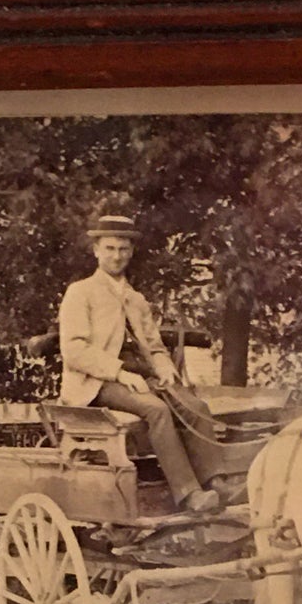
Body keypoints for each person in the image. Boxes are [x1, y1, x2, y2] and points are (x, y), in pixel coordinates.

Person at [57, 208, 221, 512]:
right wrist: (119, 373)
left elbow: (155, 346)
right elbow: (75, 350)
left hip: (140, 378)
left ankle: (215, 482)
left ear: (131, 251)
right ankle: (188, 494)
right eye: (109, 249)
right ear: (96, 250)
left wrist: (165, 368)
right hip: (95, 384)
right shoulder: (80, 293)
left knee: (195, 407)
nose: (116, 256)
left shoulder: (136, 299)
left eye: (123, 249)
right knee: (156, 410)